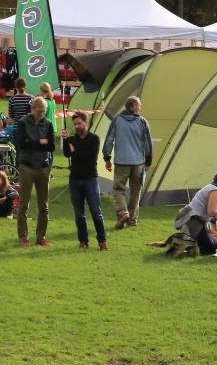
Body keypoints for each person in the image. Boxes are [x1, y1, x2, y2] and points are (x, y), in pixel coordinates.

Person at [102, 96, 153, 230]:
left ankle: (123, 212)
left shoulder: (117, 120)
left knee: (118, 190)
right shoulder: (142, 122)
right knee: (136, 191)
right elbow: (148, 144)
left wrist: (107, 158)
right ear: (133, 106)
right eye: (139, 105)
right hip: (138, 163)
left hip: (121, 162)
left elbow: (109, 140)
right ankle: (132, 219)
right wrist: (148, 161)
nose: (140, 107)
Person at [14, 97, 55, 247]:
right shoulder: (23, 122)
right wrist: (40, 142)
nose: (41, 114)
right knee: (24, 204)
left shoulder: (48, 124)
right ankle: (23, 237)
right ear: (33, 109)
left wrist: (33, 142)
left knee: (44, 205)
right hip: (27, 166)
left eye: (43, 112)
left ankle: (41, 237)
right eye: (39, 112)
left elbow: (51, 146)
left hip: (44, 167)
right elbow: (22, 144)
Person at [63, 112, 106, 250]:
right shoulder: (71, 139)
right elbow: (67, 154)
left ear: (86, 123)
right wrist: (65, 140)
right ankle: (83, 241)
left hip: (90, 179)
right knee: (79, 214)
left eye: (79, 123)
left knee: (96, 212)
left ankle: (102, 241)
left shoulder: (94, 139)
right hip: (75, 179)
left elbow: (90, 156)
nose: (77, 126)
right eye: (75, 124)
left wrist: (75, 152)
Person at [175, 169, 217, 255]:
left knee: (209, 245)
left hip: (194, 219)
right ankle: (184, 244)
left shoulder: (212, 187)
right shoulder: (215, 190)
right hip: (192, 220)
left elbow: (216, 212)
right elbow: (212, 212)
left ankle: (187, 243)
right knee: (209, 251)